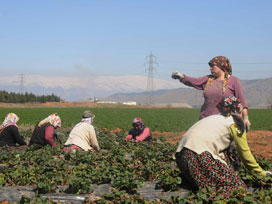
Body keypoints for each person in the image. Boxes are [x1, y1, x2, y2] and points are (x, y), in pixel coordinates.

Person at [175, 96, 271, 197]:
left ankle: (203, 180)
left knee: (229, 150)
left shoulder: (213, 118)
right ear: (239, 110)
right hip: (198, 157)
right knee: (236, 188)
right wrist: (261, 173)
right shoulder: (235, 124)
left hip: (182, 159)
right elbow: (244, 152)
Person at [171, 56, 250, 130]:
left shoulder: (234, 81)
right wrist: (181, 77)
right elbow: (194, 81)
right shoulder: (208, 79)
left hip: (225, 122)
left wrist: (245, 118)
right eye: (210, 66)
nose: (210, 68)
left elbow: (241, 101)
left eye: (213, 66)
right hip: (206, 119)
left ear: (221, 66)